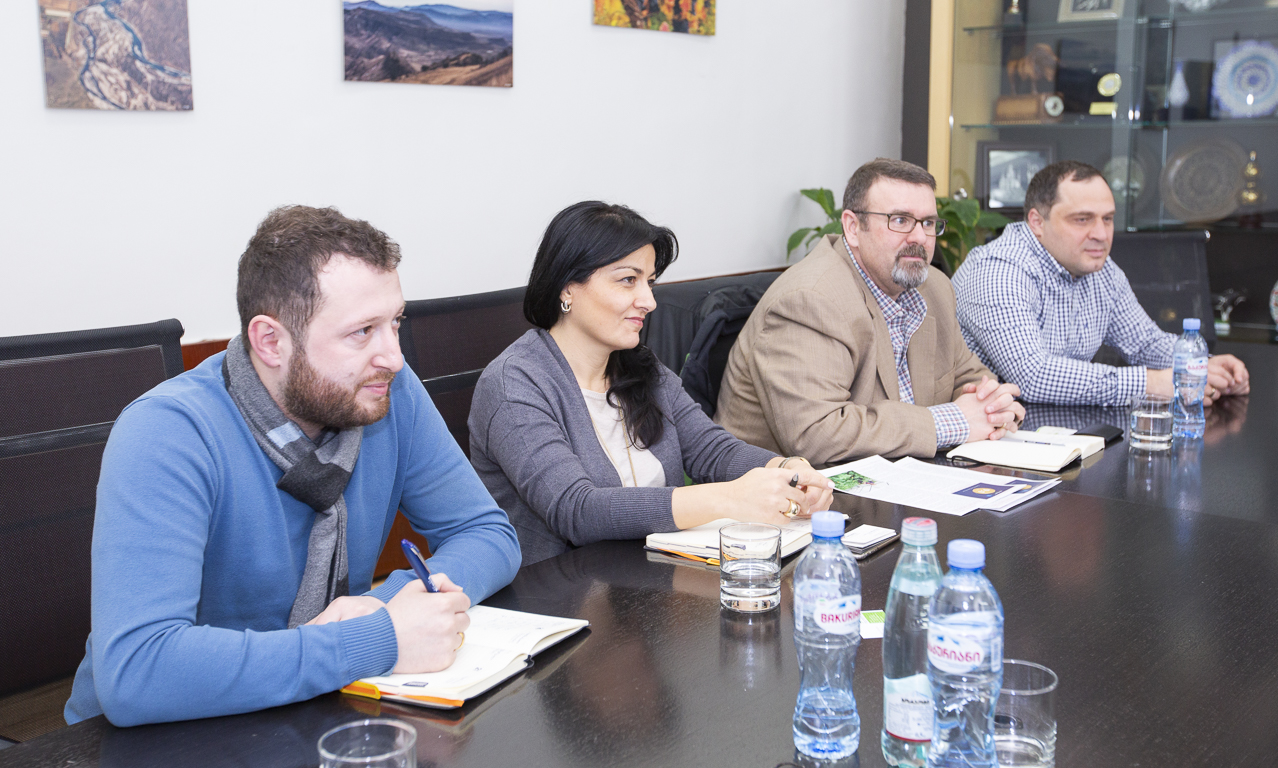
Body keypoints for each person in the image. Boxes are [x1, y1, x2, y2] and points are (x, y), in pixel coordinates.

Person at [65, 206, 521, 727]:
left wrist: (386, 605)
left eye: (394, 323)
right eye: (362, 331)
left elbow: (486, 534)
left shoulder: (385, 393)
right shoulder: (166, 433)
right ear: (270, 342)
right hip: (159, 738)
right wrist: (376, 640)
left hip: (311, 709)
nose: (393, 357)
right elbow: (138, 671)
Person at [467, 201, 835, 567]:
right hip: (562, 590)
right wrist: (728, 499)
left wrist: (788, 470)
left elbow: (712, 451)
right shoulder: (513, 384)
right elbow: (576, 510)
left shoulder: (640, 366)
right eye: (628, 280)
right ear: (567, 288)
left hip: (655, 575)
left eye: (650, 282)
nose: (649, 301)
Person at [715, 158, 1025, 466]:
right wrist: (952, 422)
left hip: (900, 476)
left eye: (928, 223)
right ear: (852, 228)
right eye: (900, 220)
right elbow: (817, 435)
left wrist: (993, 407)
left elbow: (970, 378)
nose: (919, 237)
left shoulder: (934, 287)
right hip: (793, 487)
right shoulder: (809, 300)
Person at [953, 160, 1250, 406]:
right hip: (981, 437)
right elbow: (1033, 376)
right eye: (1082, 219)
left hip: (1052, 429)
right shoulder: (998, 271)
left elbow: (1144, 342)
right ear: (1037, 222)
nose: (1100, 234)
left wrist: (1199, 363)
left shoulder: (1099, 268)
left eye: (1107, 219)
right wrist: (1152, 383)